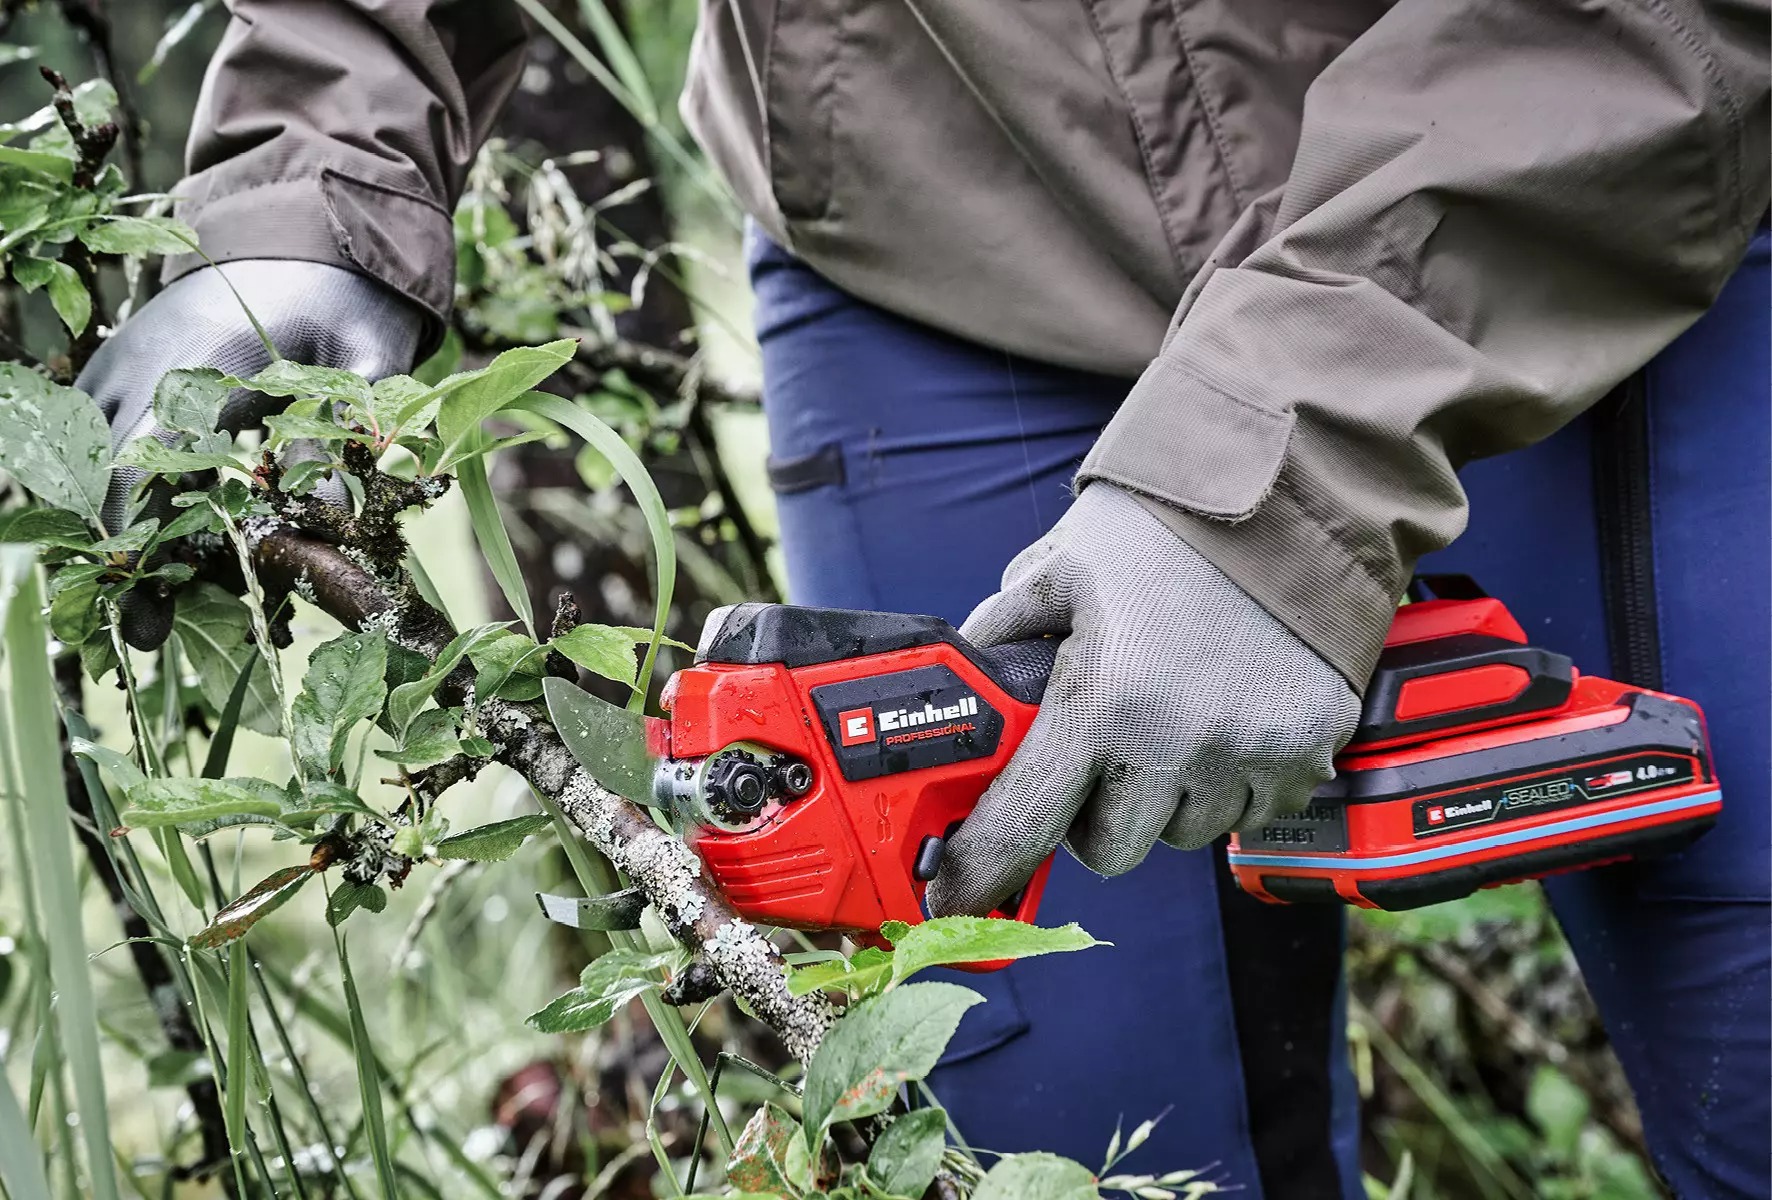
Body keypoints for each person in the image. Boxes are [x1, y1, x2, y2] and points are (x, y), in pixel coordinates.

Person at [80, 2, 1769, 1195]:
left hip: (1602, 177)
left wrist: (1284, 469)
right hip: (947, 231)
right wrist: (322, 152)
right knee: (1070, 1146)